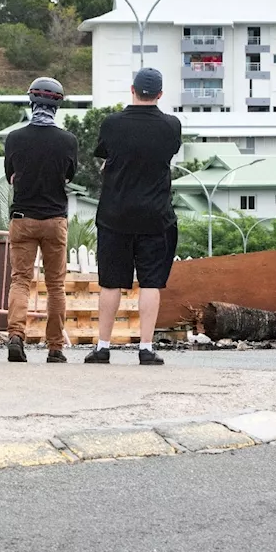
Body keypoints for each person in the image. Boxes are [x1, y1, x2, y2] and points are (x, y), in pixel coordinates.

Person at [84, 68, 182, 367]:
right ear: (160, 94)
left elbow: (105, 155)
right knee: (151, 282)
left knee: (111, 282)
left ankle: (102, 347)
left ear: (132, 89)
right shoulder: (171, 125)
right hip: (155, 215)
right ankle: (146, 348)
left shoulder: (112, 123)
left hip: (115, 214)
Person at [4, 77, 78, 364]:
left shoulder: (15, 138)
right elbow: (69, 177)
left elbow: (11, 175)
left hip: (22, 218)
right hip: (54, 219)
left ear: (31, 102)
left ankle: (15, 336)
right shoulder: (68, 141)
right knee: (56, 285)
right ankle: (55, 348)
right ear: (57, 106)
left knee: (21, 280)